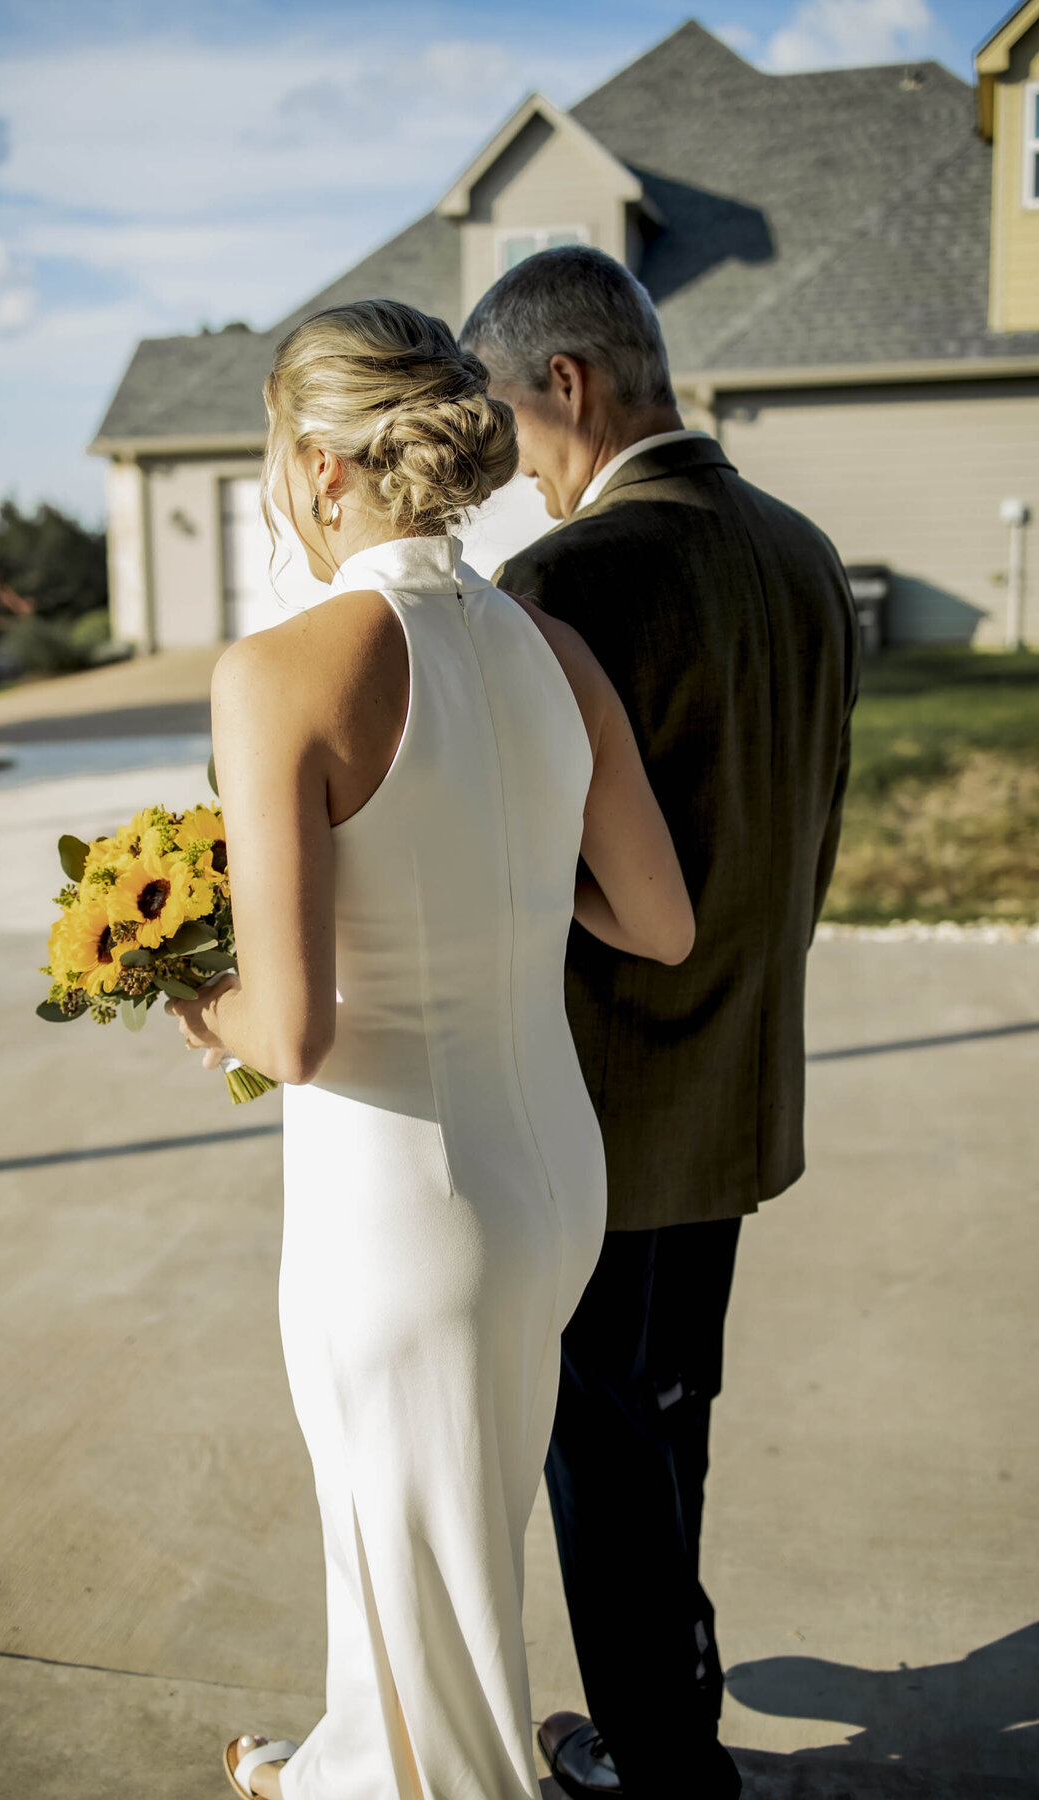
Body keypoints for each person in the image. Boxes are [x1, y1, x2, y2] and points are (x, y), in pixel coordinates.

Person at [164, 297, 695, 1800]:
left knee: (411, 1563)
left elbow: (299, 1032)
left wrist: (183, 994)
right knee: (441, 1560)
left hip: (399, 1211)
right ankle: (350, 1758)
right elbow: (661, 923)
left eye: (278, 450)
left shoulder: (278, 677)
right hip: (554, 1185)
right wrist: (506, 882)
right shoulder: (555, 650)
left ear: (326, 463)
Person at [461, 246, 859, 1800]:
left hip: (603, 1105)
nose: (504, 466)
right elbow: (805, 827)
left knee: (605, 1452)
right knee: (672, 1417)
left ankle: (660, 1755)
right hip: (742, 1079)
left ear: (568, 384)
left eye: (505, 422)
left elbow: (511, 866)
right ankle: (674, 1682)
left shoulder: (572, 582)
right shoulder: (806, 550)